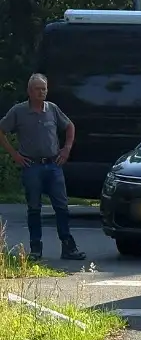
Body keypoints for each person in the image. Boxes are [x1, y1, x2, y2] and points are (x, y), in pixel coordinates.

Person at [0, 74, 86, 261]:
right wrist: (14, 154)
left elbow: (69, 126)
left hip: (53, 164)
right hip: (32, 166)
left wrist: (66, 149)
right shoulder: (19, 111)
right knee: (34, 208)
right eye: (37, 89)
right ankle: (35, 249)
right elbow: (2, 130)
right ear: (29, 91)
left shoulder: (52, 109)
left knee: (62, 207)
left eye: (44, 89)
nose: (41, 92)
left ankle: (68, 246)